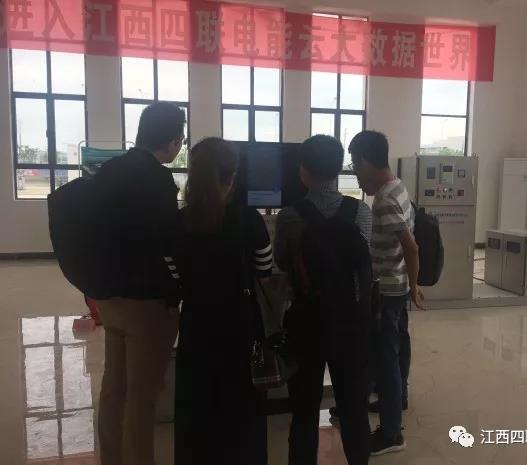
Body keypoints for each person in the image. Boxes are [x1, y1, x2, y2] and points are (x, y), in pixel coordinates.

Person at [94, 102, 185, 465]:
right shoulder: (158, 180)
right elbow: (168, 243)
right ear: (173, 140)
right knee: (142, 397)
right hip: (146, 304)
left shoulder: (110, 170)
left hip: (110, 298)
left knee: (114, 387)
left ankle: (112, 459)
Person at [274, 135, 373, 465]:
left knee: (303, 411)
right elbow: (363, 265)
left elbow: (282, 264)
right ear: (339, 169)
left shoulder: (289, 217)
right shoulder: (361, 212)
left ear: (303, 171)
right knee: (354, 410)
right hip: (351, 325)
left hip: (306, 323)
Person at [174, 138, 272, 465]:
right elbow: (264, 271)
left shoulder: (179, 223)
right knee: (244, 413)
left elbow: (174, 277)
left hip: (196, 328)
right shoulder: (250, 221)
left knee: (198, 411)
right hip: (241, 329)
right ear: (232, 177)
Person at [348, 130, 425, 456]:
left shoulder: (383, 201)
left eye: (355, 164)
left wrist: (415, 284)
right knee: (397, 346)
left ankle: (392, 433)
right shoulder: (398, 187)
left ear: (367, 162)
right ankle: (396, 400)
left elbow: (411, 246)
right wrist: (411, 284)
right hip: (398, 285)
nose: (355, 172)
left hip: (387, 290)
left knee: (385, 360)